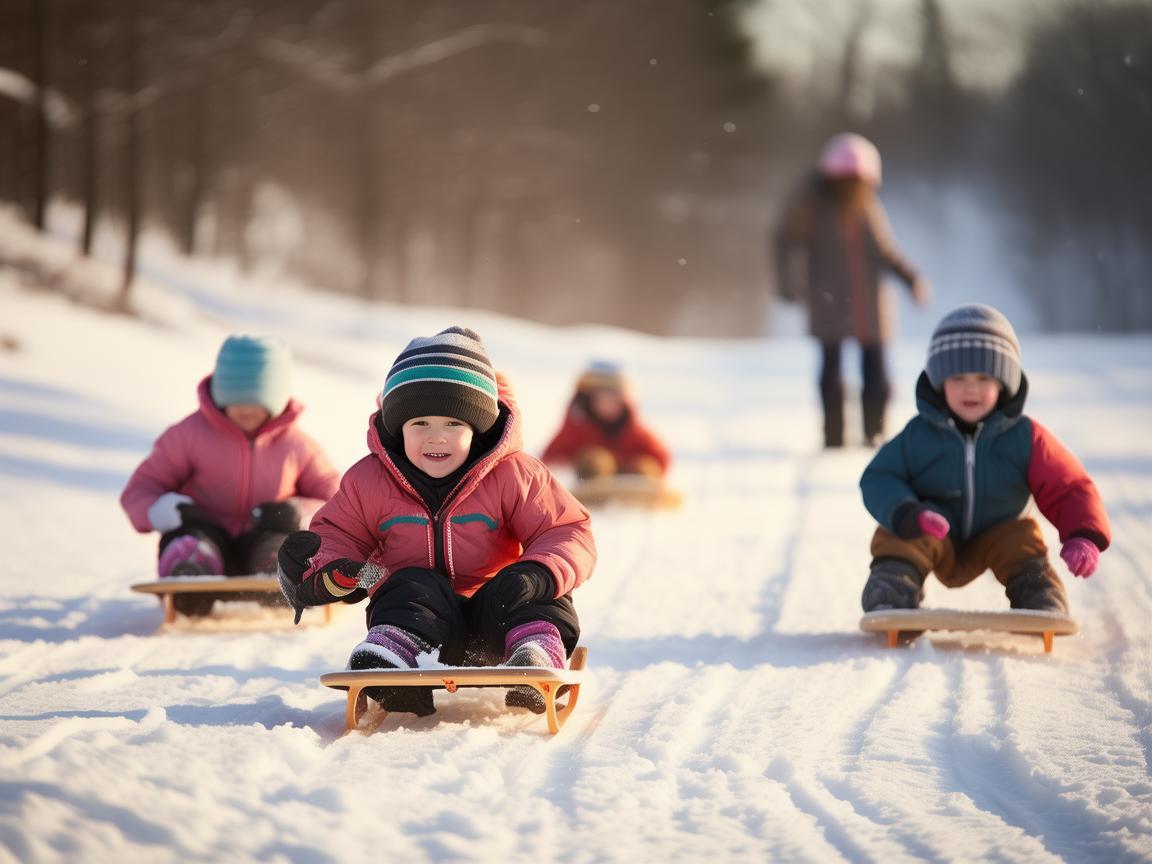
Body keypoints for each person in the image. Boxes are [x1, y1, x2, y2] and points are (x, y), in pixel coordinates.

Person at [276, 326, 596, 717]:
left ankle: (534, 652)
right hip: (422, 621)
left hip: (499, 618)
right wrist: (324, 571)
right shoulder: (369, 480)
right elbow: (340, 536)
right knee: (406, 583)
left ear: (477, 428)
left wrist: (539, 573)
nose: (436, 438)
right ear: (398, 428)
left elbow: (566, 529)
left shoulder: (515, 474)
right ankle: (390, 654)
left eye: (453, 424)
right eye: (420, 424)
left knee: (539, 592)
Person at [859, 304, 1111, 614]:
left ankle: (1037, 593)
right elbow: (879, 476)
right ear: (940, 382)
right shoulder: (919, 435)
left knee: (1022, 537)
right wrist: (908, 512)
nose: (970, 388)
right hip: (935, 530)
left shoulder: (1025, 437)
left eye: (983, 377)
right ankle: (892, 588)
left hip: (999, 531)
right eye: (958, 377)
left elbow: (1068, 485)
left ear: (1004, 382)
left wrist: (1083, 534)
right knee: (897, 532)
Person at [120, 334, 340, 615]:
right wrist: (161, 511)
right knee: (189, 542)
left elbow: (337, 501)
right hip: (204, 532)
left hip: (265, 535)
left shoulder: (297, 446)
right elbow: (140, 490)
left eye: (257, 401)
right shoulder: (188, 436)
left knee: (285, 544)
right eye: (237, 400)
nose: (246, 410)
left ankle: (279, 573)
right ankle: (189, 577)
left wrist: (298, 513)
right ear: (221, 395)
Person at [774, 132, 931, 448]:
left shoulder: (866, 206)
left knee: (876, 372)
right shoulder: (810, 203)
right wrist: (787, 281)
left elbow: (884, 249)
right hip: (828, 298)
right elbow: (785, 240)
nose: (854, 188)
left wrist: (910, 278)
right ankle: (833, 436)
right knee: (831, 370)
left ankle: (874, 433)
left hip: (869, 302)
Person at [541, 361, 671, 480]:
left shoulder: (634, 431)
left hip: (630, 481)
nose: (608, 405)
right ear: (588, 400)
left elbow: (662, 458)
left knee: (644, 466)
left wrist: (644, 469)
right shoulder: (576, 428)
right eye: (602, 399)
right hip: (588, 482)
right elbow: (549, 460)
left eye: (613, 399)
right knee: (595, 461)